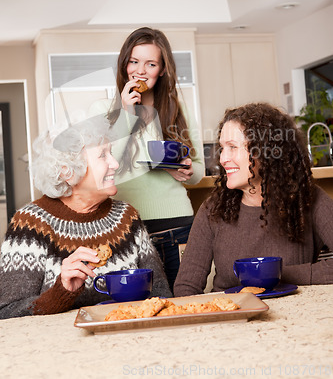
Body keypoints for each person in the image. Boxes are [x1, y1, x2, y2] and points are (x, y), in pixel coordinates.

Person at [0, 113, 171, 320]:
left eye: (111, 153)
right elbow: (7, 313)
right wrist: (61, 291)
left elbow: (161, 297)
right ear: (67, 171)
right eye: (102, 155)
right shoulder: (29, 224)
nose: (115, 164)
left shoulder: (127, 218)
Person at [174, 102, 333, 296]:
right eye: (222, 148)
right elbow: (186, 287)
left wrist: (279, 274)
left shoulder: (308, 199)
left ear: (266, 151)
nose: (223, 158)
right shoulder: (213, 208)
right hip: (232, 318)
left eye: (232, 147)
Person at [110, 27, 205, 292]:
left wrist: (186, 169)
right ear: (124, 64)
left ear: (162, 69)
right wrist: (126, 113)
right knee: (138, 310)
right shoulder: (104, 111)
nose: (140, 71)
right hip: (130, 233)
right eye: (134, 62)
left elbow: (199, 172)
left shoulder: (177, 109)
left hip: (179, 226)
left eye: (150, 63)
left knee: (186, 303)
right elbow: (107, 165)